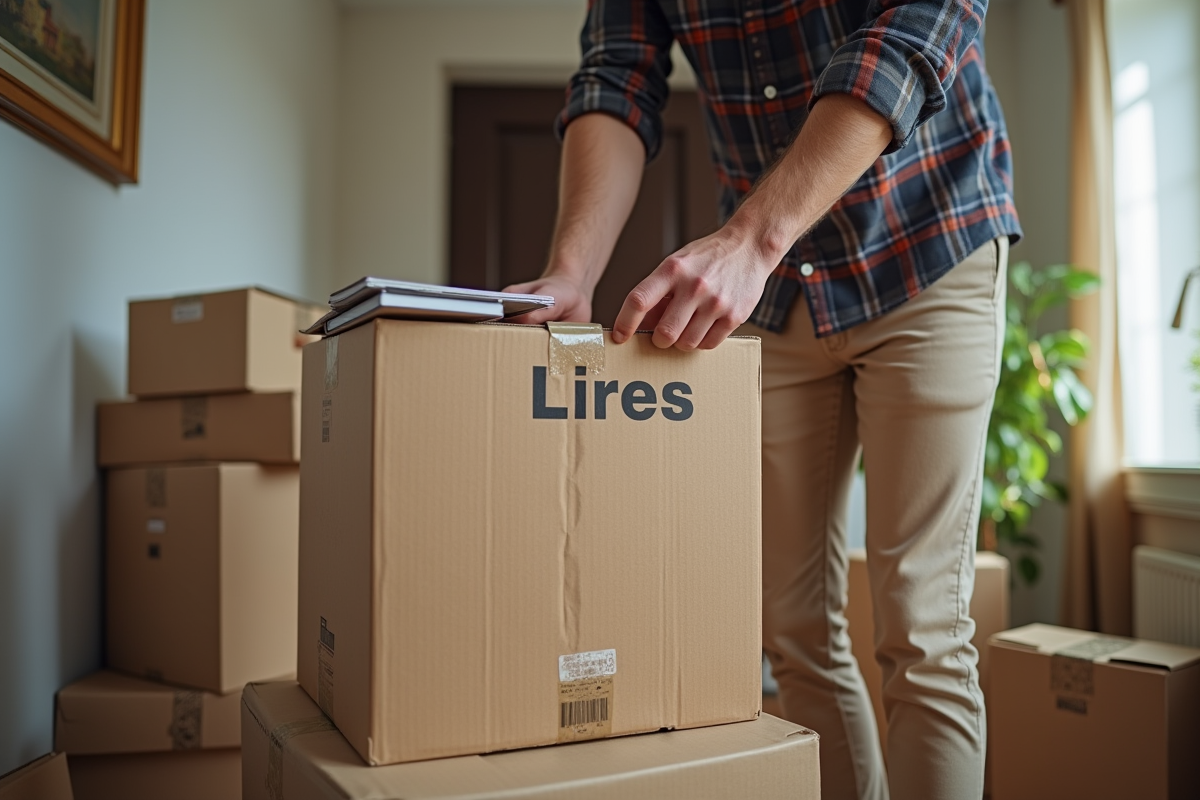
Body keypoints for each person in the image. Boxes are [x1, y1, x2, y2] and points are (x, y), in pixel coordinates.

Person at [505, 2, 1021, 798]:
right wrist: (572, 269)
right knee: (793, 629)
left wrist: (751, 240)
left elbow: (923, 25)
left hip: (927, 245)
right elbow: (616, 77)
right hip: (781, 296)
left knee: (923, 630)